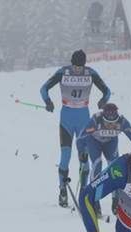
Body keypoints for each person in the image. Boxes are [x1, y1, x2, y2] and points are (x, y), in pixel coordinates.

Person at [40, 49, 111, 207]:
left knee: (84, 157)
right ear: (72, 63)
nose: (77, 70)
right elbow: (43, 88)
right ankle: (63, 190)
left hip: (83, 120)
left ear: (84, 65)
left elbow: (107, 91)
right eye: (75, 66)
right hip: (66, 118)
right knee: (65, 156)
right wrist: (48, 102)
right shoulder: (63, 72)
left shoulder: (90, 73)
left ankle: (84, 191)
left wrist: (103, 102)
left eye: (80, 67)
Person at [78, 103, 131, 217]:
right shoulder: (96, 119)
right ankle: (94, 201)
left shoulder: (121, 121)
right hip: (94, 142)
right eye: (107, 123)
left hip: (111, 143)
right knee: (97, 165)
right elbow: (81, 137)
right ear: (103, 116)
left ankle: (116, 200)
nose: (110, 125)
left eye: (113, 124)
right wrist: (81, 152)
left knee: (115, 168)